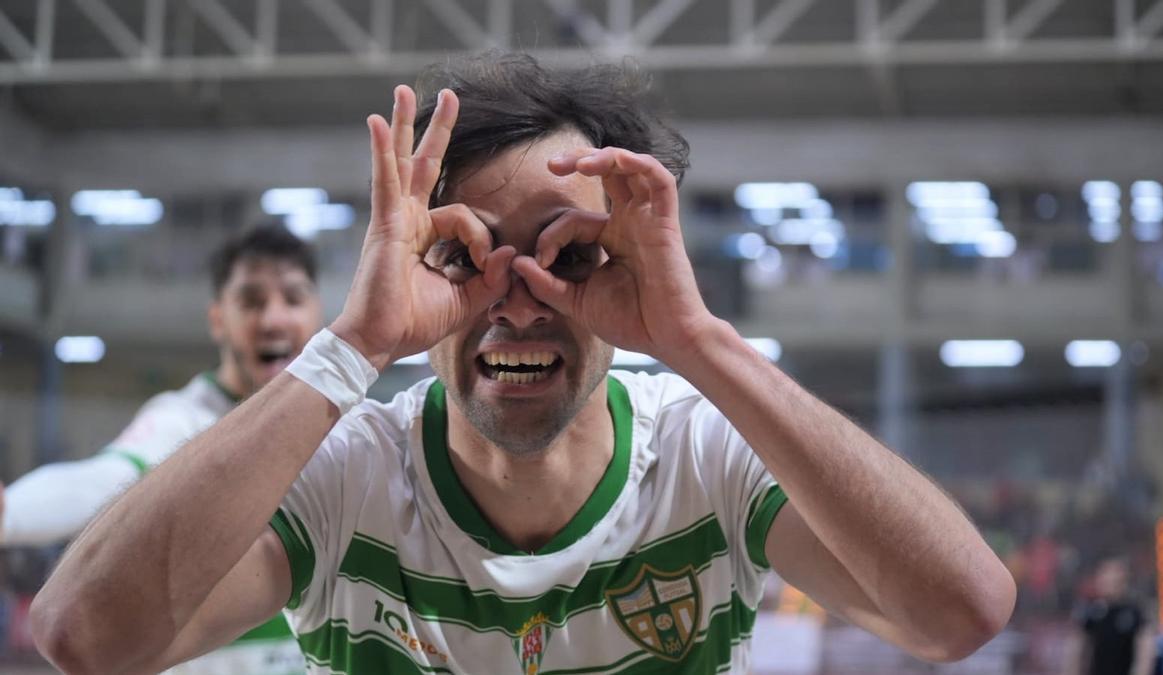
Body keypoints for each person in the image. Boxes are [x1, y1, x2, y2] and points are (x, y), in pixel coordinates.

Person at [31, 53, 1016, 674]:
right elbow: (83, 639)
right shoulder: (342, 473)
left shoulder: (704, 453)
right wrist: (353, 346)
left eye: (570, 255)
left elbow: (960, 613)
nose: (516, 297)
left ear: (628, 266)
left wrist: (698, 341)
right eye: (464, 255)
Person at [3, 225, 319, 674]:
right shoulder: (181, 420)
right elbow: (104, 479)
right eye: (251, 301)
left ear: (317, 312)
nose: (272, 318)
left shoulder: (341, 422)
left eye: (292, 299)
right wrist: (9, 513)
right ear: (218, 319)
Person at [1070, 557, 1154, 675]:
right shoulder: (1091, 612)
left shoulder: (1134, 613)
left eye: (1115, 578)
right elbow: (1077, 650)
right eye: (1105, 577)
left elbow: (1144, 653)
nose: (1110, 582)